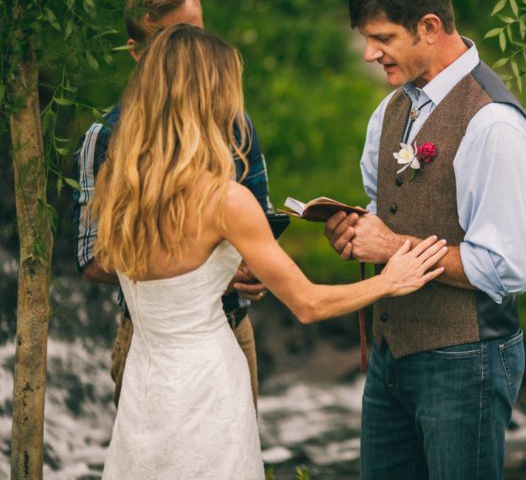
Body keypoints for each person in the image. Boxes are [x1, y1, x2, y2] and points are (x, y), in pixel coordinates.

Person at [92, 24, 448, 479]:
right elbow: (308, 304)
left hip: (145, 384)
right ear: (208, 96)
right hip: (205, 387)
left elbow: (130, 270)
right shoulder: (224, 200)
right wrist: (388, 281)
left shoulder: (119, 185)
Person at [324, 0, 526, 479]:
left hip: (467, 361)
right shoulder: (390, 110)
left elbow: (508, 269)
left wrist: (391, 248)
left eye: (381, 38)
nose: (368, 54)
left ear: (428, 27)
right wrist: (358, 232)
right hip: (391, 356)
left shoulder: (494, 125)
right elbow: (385, 207)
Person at [71, 0, 270, 408]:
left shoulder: (237, 124)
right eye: (173, 38)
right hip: (150, 340)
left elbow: (261, 216)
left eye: (195, 33)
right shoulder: (105, 137)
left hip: (233, 330)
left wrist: (255, 270)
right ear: (137, 50)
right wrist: (202, 274)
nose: (190, 49)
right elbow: (91, 258)